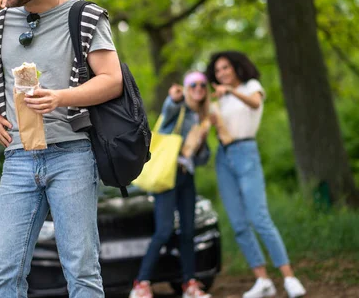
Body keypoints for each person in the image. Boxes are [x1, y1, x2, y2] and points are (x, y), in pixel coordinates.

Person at [0, 0, 122, 298]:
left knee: (82, 272)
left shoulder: (85, 16)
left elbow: (112, 80)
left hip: (72, 154)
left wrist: (60, 97)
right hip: (18, 157)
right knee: (3, 274)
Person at [205, 51, 306, 298]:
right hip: (224, 158)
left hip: (246, 152)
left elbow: (255, 103)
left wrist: (230, 91)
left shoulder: (252, 87)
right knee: (239, 224)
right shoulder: (220, 99)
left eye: (225, 68)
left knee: (259, 218)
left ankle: (289, 277)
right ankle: (263, 281)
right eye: (217, 71)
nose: (222, 74)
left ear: (237, 67)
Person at [129, 71, 212, 298]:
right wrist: (174, 99)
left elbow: (203, 159)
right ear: (186, 88)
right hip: (168, 175)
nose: (199, 89)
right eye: (193, 84)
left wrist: (203, 142)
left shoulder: (203, 118)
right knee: (164, 230)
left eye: (203, 85)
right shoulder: (179, 109)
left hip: (187, 176)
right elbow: (167, 113)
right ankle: (141, 284)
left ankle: (189, 284)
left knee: (188, 231)